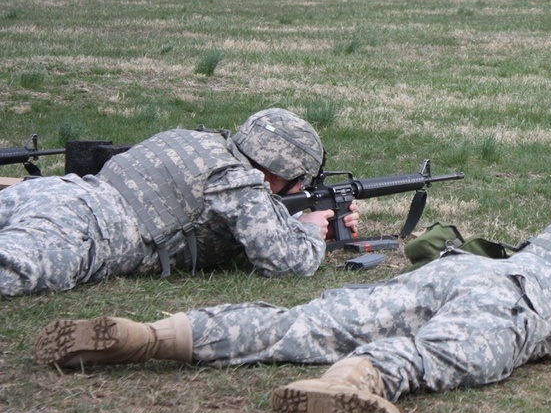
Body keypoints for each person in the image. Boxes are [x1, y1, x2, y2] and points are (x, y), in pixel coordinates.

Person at [34, 116, 551, 413]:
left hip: (477, 271)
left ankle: (157, 337)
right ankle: (356, 381)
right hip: (523, 301)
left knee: (305, 320)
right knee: (448, 355)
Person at [1, 108, 358, 297]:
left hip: (52, 190)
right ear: (277, 178)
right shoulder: (239, 182)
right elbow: (286, 262)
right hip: (82, 231)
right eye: (299, 183)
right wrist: (309, 232)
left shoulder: (195, 140)